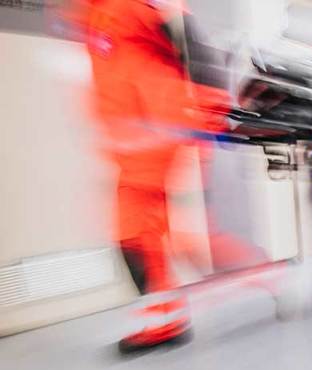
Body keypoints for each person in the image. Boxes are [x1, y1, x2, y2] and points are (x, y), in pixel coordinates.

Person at [59, 0, 231, 351]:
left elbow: (190, 37)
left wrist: (211, 106)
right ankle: (167, 317)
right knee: (141, 233)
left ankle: (167, 320)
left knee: (136, 232)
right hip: (132, 138)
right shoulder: (93, 11)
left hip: (155, 129)